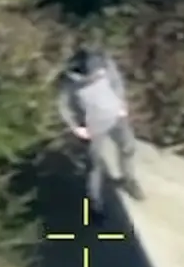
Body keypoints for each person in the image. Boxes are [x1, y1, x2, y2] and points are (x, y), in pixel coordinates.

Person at [58, 47, 144, 220]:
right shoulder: (70, 81)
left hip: (116, 117)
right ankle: (94, 203)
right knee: (94, 164)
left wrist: (120, 103)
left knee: (128, 147)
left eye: (96, 74)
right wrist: (76, 127)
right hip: (93, 125)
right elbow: (63, 106)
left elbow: (117, 82)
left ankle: (128, 179)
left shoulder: (105, 64)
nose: (94, 78)